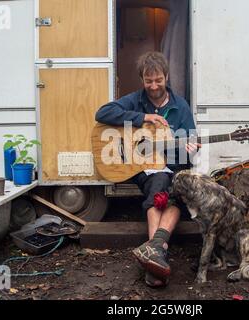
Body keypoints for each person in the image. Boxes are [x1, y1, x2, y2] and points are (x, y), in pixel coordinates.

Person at [95, 51, 200, 287]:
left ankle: (154, 253)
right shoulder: (135, 100)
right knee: (158, 182)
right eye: (148, 81)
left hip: (173, 166)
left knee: (175, 192)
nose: (153, 86)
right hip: (144, 168)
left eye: (158, 80)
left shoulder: (180, 106)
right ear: (142, 79)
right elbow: (102, 113)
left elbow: (190, 150)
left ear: (166, 77)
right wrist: (143, 117)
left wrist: (190, 148)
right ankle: (158, 252)